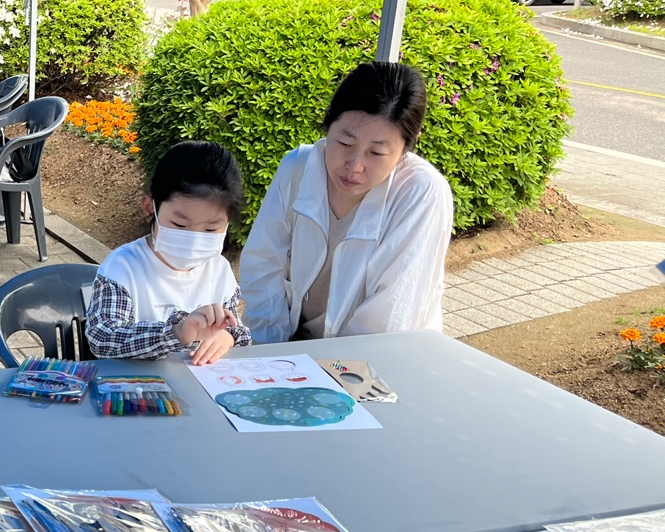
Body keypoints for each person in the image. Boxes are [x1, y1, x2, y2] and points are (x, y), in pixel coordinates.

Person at [238, 61, 454, 344]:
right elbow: (263, 265)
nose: (354, 166)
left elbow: (390, 316)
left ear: (408, 146)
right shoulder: (297, 168)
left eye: (376, 153)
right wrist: (270, 350)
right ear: (329, 124)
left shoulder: (421, 193)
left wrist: (332, 366)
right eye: (344, 143)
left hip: (374, 357)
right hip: (292, 346)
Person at [86, 141, 252, 366]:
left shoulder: (218, 270)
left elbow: (236, 329)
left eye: (211, 229)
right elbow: (102, 338)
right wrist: (176, 333)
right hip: (139, 385)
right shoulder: (123, 267)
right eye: (180, 225)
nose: (194, 239)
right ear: (150, 209)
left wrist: (228, 336)